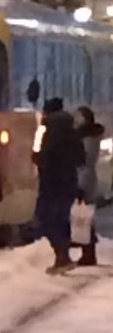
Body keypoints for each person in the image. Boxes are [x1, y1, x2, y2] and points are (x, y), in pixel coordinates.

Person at [34, 97, 85, 274]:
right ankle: (63, 256)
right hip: (68, 181)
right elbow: (81, 158)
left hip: (52, 182)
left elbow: (43, 157)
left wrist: (39, 159)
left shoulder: (48, 131)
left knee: (45, 218)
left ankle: (62, 256)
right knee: (61, 219)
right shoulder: (72, 131)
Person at [74, 105, 104, 266]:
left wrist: (80, 185)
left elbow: (85, 161)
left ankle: (88, 253)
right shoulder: (89, 135)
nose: (75, 120)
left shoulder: (87, 138)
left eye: (78, 116)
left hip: (84, 179)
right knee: (85, 218)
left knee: (84, 218)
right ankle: (88, 251)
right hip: (86, 178)